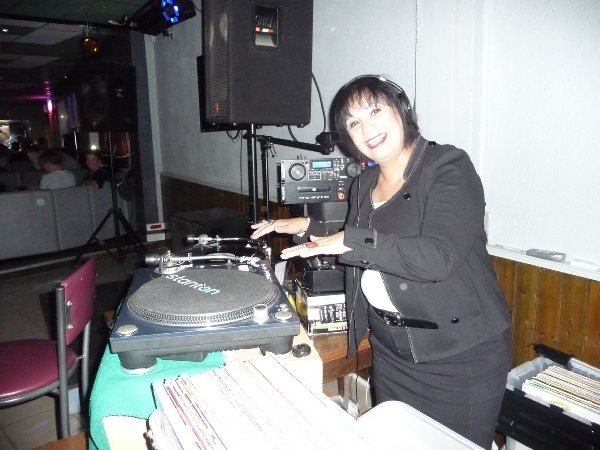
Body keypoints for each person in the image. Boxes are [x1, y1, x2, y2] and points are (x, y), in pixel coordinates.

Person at [251, 75, 512, 449]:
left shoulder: (447, 166)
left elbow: (438, 257)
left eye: (375, 111)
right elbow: (370, 234)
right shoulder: (364, 183)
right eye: (354, 122)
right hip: (391, 352)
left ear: (402, 109)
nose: (367, 128)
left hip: (458, 357)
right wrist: (308, 226)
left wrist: (349, 239)